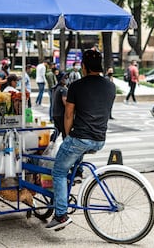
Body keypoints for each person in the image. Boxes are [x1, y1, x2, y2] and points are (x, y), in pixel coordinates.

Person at [46, 50, 113, 231]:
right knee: (71, 162)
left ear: (83, 66)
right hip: (99, 139)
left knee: (58, 172)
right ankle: (74, 177)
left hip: (80, 137)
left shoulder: (76, 86)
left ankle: (60, 215)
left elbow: (68, 115)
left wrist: (67, 136)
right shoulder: (110, 86)